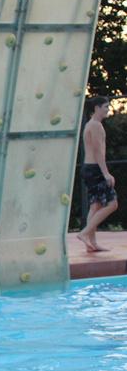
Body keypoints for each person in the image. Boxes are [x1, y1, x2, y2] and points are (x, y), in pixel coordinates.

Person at [78, 96, 117, 253]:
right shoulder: (95, 125)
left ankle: (92, 243)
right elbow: (97, 151)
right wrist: (106, 173)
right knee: (112, 204)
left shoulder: (91, 124)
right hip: (95, 169)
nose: (108, 109)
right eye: (105, 106)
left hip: (89, 168)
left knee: (95, 206)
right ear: (96, 108)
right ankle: (85, 233)